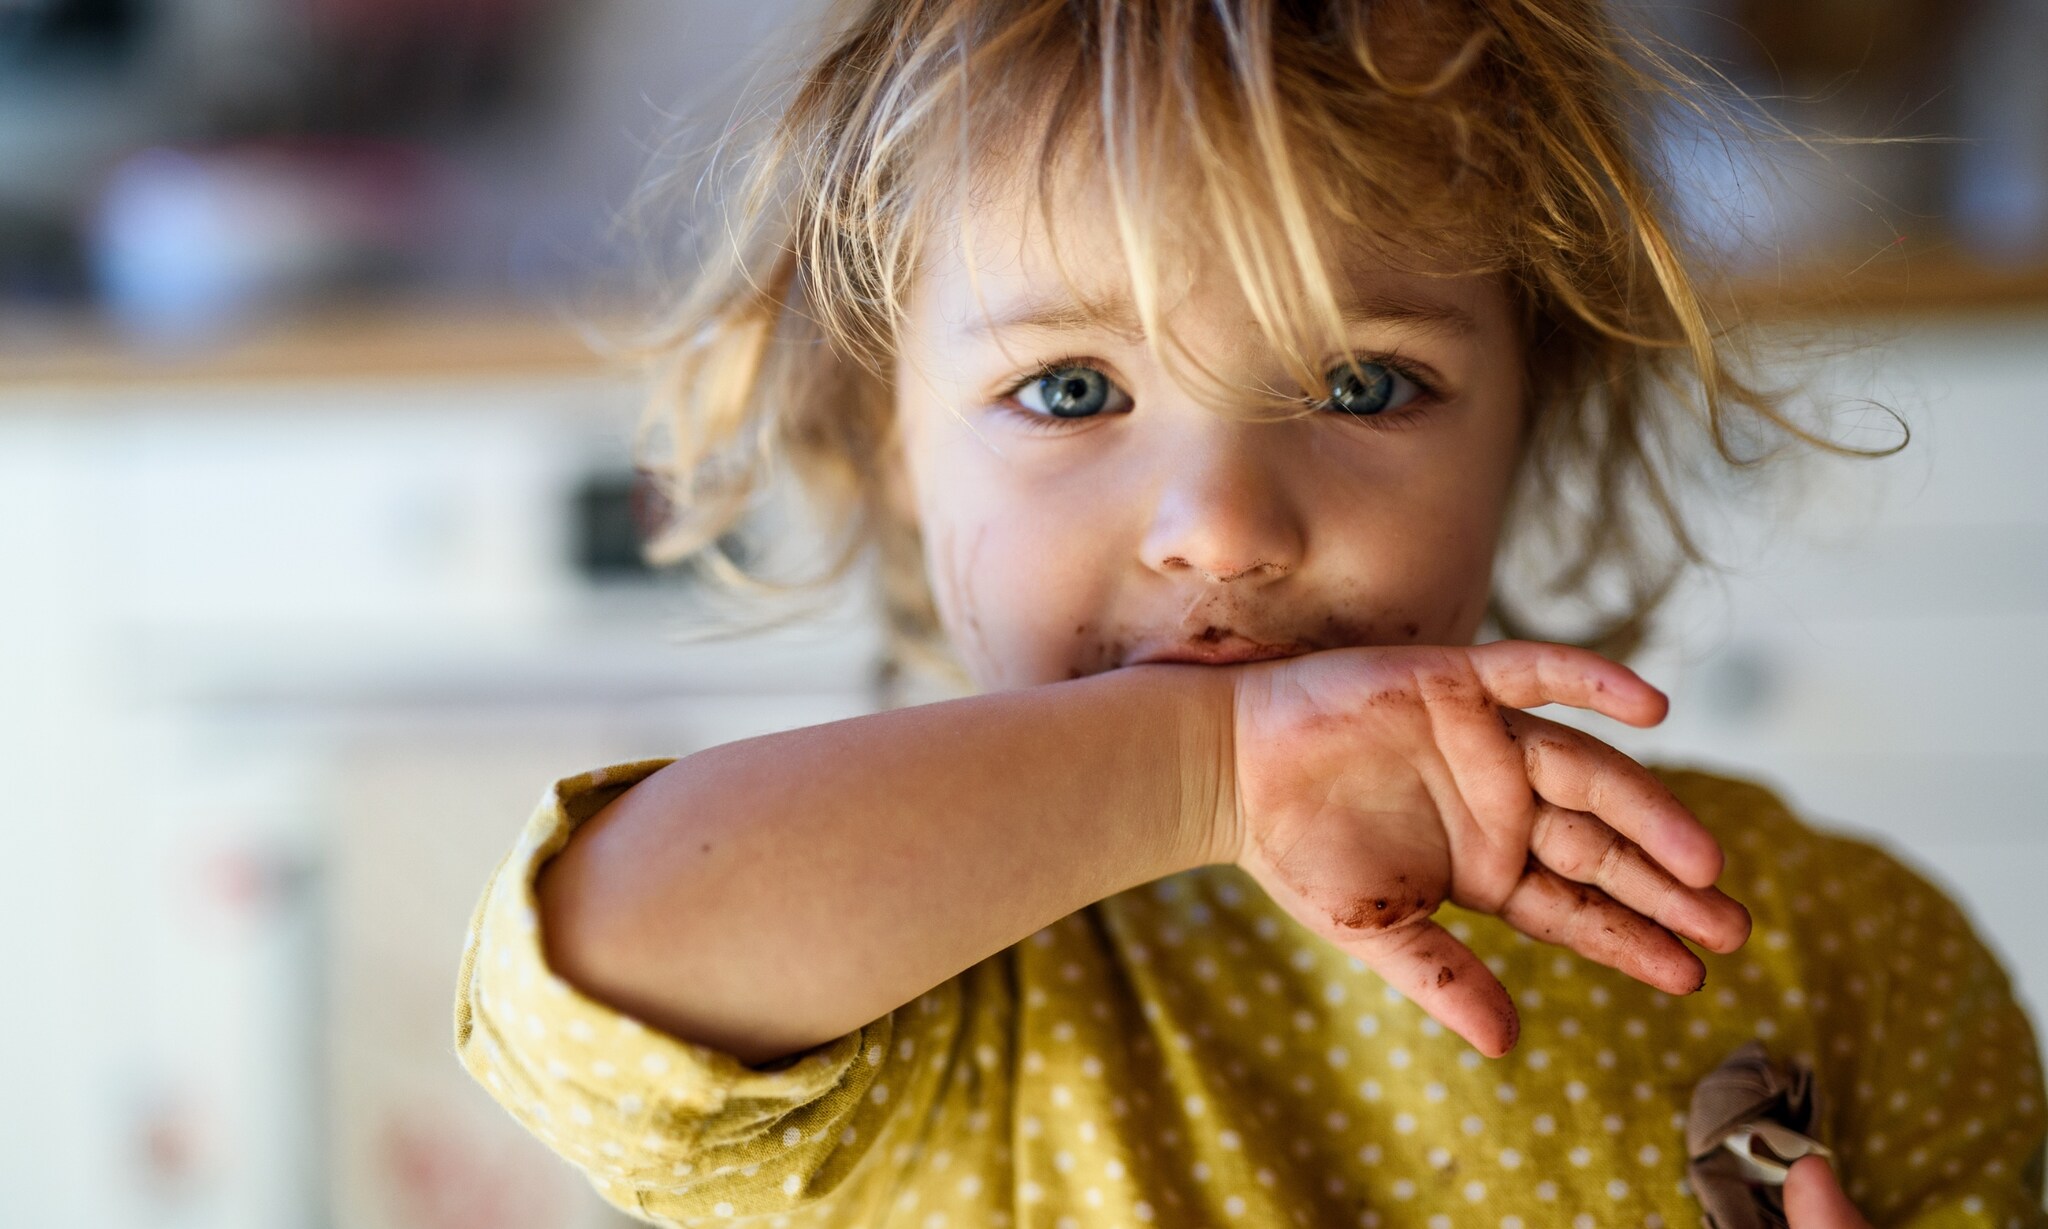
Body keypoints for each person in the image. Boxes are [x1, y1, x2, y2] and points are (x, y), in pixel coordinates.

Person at [451, 1, 2047, 1225]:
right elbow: (593, 966)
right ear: (887, 445)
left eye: (1363, 383)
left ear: (1532, 417)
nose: (1220, 523)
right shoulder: (898, 974)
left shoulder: (1837, 951)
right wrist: (1209, 767)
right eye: (1070, 389)